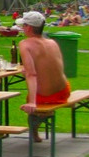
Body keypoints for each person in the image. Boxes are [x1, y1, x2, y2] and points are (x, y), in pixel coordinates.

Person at [17, 11, 71, 142]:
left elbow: (31, 74)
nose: (23, 28)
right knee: (41, 102)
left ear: (29, 28)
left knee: (33, 103)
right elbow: (55, 68)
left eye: (24, 25)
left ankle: (34, 130)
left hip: (45, 97)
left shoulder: (25, 44)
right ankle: (42, 118)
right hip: (63, 92)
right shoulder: (52, 43)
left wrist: (32, 102)